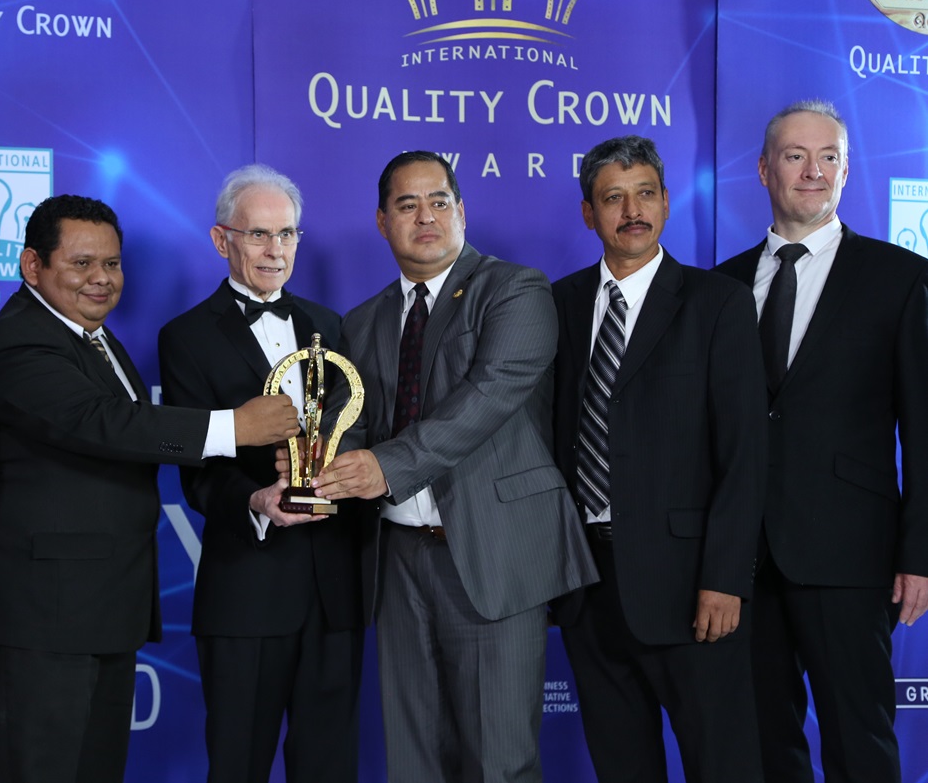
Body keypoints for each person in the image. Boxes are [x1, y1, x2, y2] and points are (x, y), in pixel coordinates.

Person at [0, 193, 300, 783]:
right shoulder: (19, 342)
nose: (101, 278)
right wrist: (235, 427)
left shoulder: (94, 338)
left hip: (100, 613)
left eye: (112, 264)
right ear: (32, 266)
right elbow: (103, 423)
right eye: (82, 263)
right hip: (38, 625)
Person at [311, 150, 597, 783]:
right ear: (382, 221)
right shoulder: (363, 320)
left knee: (499, 761)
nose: (426, 216)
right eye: (407, 205)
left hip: (493, 553)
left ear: (462, 211)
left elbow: (489, 396)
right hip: (397, 560)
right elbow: (353, 420)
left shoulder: (516, 289)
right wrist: (314, 465)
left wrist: (384, 466)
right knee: (414, 759)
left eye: (439, 201)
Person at [714, 99, 928, 783]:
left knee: (859, 740)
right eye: (796, 156)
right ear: (763, 170)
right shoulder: (720, 287)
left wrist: (919, 553)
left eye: (829, 157)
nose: (814, 171)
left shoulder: (900, 278)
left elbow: (924, 429)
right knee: (763, 743)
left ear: (846, 170)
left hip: (851, 556)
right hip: (742, 563)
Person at [551, 135, 766, 783]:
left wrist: (725, 578)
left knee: (722, 764)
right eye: (613, 198)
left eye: (645, 193)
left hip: (691, 586)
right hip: (588, 585)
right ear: (588, 213)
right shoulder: (558, 303)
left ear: (667, 202)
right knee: (621, 766)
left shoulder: (717, 302)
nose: (632, 211)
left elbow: (744, 452)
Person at [157, 165, 363, 783]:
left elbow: (354, 429)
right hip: (245, 591)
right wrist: (256, 500)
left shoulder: (333, 326)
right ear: (222, 240)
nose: (276, 250)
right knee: (238, 765)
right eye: (259, 234)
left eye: (287, 234)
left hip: (333, 589)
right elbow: (196, 470)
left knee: (328, 767)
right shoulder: (185, 337)